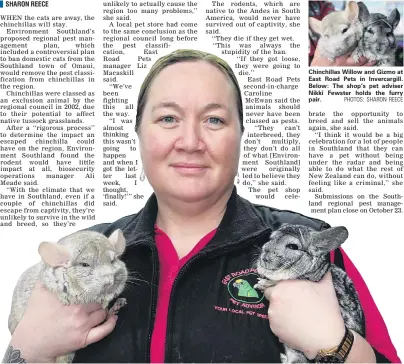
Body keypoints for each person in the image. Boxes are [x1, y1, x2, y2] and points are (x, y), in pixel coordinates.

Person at [4, 49, 401, 363]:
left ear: (241, 134)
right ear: (138, 133)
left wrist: (336, 346)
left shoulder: (308, 246)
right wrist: (26, 351)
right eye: (168, 118)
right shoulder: (84, 254)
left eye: (213, 120)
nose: (191, 141)